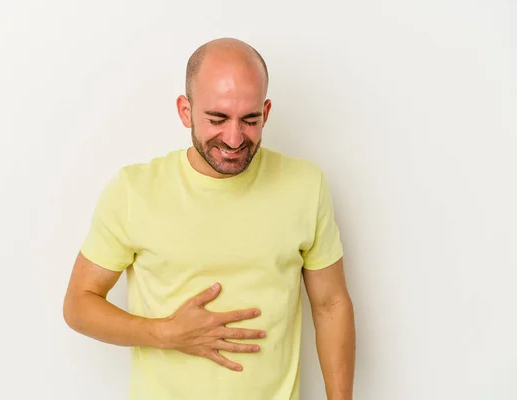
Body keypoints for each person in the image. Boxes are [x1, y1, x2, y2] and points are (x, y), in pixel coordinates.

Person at [63, 37, 356, 400]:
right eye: (217, 119)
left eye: (249, 120)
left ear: (265, 113)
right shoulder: (133, 191)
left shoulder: (306, 186)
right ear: (185, 111)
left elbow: (330, 304)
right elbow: (79, 303)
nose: (234, 138)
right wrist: (166, 333)